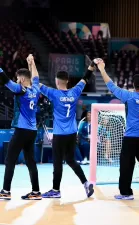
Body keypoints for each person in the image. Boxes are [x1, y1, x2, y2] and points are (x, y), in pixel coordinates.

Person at [95, 58, 139, 200]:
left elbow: (110, 85)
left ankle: (126, 192)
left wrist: (102, 69)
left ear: (134, 86)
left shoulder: (128, 96)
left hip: (131, 137)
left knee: (126, 164)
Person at [39, 62, 96, 199]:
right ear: (68, 81)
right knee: (71, 160)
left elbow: (36, 83)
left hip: (59, 134)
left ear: (57, 81)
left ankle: (56, 190)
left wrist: (31, 65)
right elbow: (85, 78)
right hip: (72, 133)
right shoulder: (75, 91)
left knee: (58, 162)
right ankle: (86, 183)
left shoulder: (54, 93)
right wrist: (92, 66)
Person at [0, 54, 41, 200]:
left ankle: (5, 191)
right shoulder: (36, 89)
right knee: (30, 161)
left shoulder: (20, 89)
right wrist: (32, 62)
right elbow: (36, 76)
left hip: (21, 130)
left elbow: (5, 80)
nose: (17, 80)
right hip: (32, 131)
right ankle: (36, 192)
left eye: (18, 78)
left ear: (22, 79)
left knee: (10, 160)